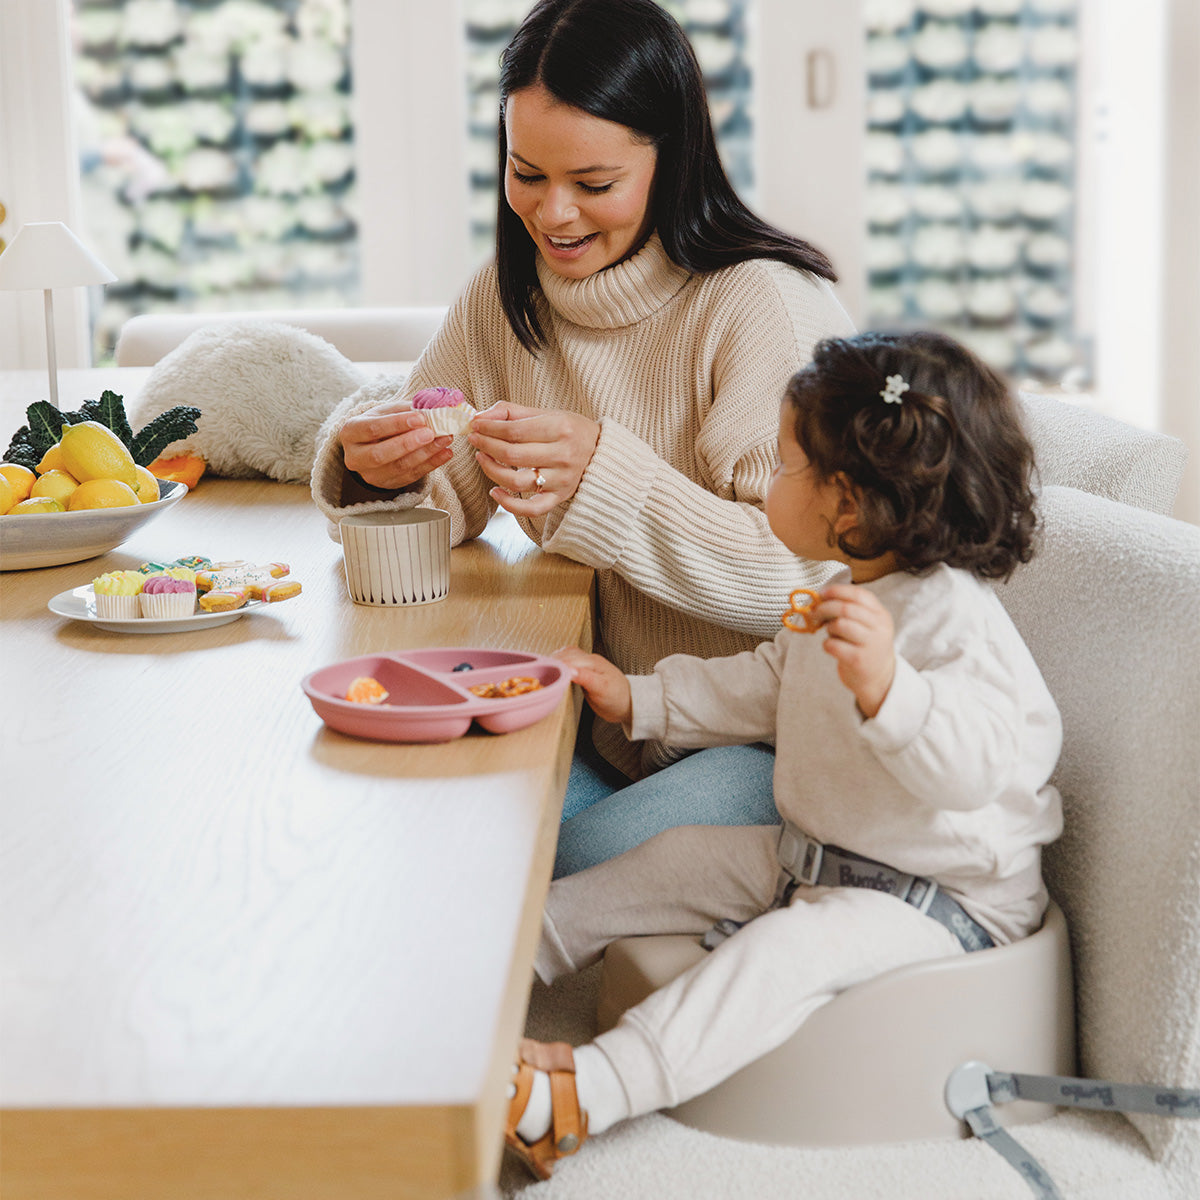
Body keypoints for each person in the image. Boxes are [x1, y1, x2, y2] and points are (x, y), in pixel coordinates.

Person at [502, 330, 1064, 1179]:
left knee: (779, 959)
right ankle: (498, 978)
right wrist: (641, 699)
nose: (768, 479)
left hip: (940, 900)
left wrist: (891, 691)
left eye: (784, 462)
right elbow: (767, 684)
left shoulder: (953, 619)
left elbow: (975, 771)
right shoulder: (846, 593)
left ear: (847, 503)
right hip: (830, 857)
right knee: (675, 860)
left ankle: (589, 1091)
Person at [309, 0, 854, 866]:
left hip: (764, 744)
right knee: (397, 822)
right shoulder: (506, 294)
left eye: (593, 185)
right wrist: (381, 479)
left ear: (672, 161)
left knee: (503, 878)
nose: (553, 216)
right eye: (526, 173)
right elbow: (444, 495)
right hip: (603, 732)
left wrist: (609, 481)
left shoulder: (760, 305)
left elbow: (807, 577)